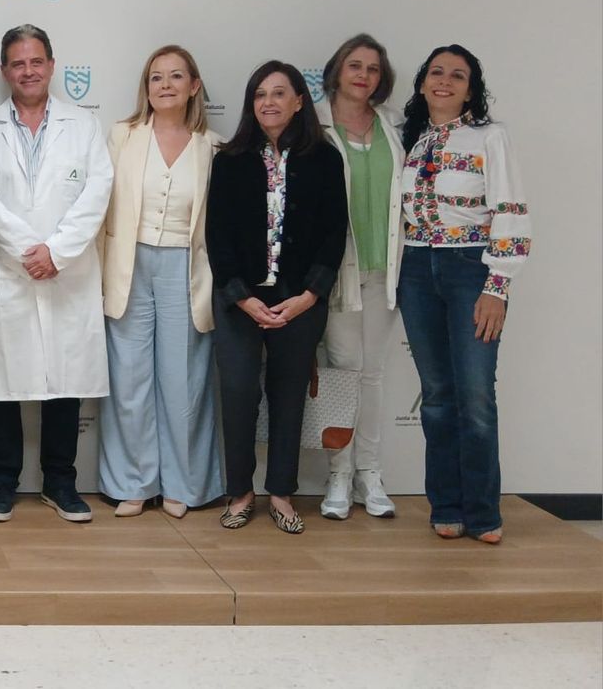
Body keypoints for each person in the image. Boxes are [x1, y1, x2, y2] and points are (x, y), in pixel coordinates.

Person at [0, 26, 112, 524]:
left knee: (64, 379)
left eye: (36, 62)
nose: (27, 71)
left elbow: (98, 190)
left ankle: (60, 481)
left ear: (52, 65)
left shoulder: (84, 124)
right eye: (17, 63)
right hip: (7, 269)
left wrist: (57, 251)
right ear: (5, 70)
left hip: (65, 270)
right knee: (2, 379)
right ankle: (2, 481)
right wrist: (27, 250)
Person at [206, 62, 347, 535]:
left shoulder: (324, 159)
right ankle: (240, 492)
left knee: (288, 396)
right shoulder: (229, 159)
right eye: (260, 94)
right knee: (239, 393)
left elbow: (334, 233)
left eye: (279, 93)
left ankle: (282, 492)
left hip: (299, 301)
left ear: (299, 101)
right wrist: (241, 298)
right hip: (240, 301)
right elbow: (217, 236)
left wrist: (310, 295)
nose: (269, 102)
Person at [397, 45, 531, 544]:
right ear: (422, 82)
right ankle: (446, 506)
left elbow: (511, 208)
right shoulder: (409, 138)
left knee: (475, 395)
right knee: (436, 396)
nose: (445, 82)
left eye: (458, 75)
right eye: (436, 72)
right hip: (414, 268)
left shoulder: (489, 137)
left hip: (470, 266)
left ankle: (482, 512)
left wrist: (497, 285)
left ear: (471, 88)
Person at [98, 45, 226, 519]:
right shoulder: (122, 136)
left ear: (194, 86)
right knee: (129, 380)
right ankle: (134, 483)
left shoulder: (214, 147)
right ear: (145, 87)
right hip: (128, 266)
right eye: (156, 77)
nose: (165, 85)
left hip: (186, 272)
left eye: (176, 76)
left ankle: (183, 484)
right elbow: (100, 211)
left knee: (184, 381)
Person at [315, 34, 406, 521]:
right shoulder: (315, 121)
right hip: (338, 275)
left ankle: (370, 473)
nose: (363, 75)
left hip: (384, 271)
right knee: (342, 374)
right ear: (337, 69)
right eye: (355, 65)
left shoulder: (393, 125)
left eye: (373, 68)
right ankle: (339, 473)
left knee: (372, 376)